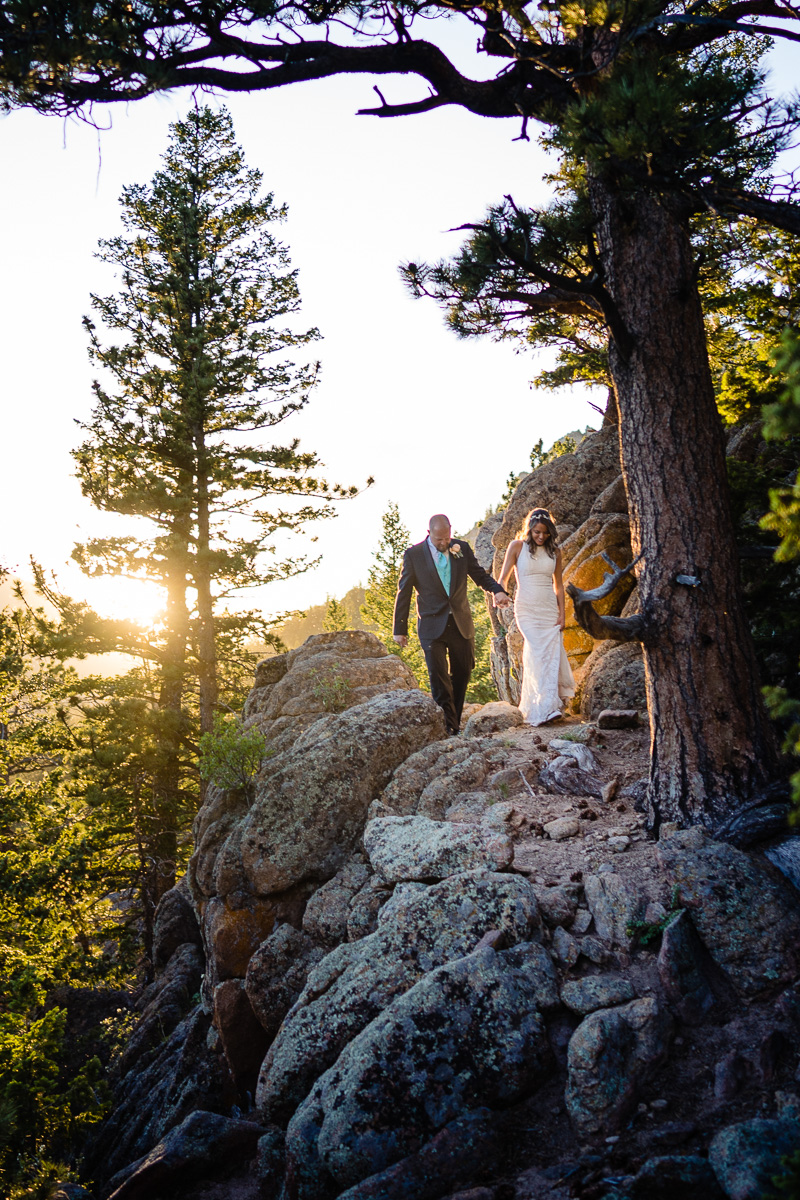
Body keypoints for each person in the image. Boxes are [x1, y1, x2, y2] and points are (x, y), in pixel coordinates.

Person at [393, 513, 511, 735]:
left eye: (446, 538)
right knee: (438, 677)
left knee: (463, 671)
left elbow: (479, 576)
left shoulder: (462, 549)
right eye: (439, 540)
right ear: (429, 534)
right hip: (431, 626)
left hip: (460, 622)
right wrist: (400, 629)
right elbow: (404, 592)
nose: (444, 543)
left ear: (450, 532)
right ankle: (450, 727)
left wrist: (497, 590)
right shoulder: (414, 555)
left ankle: (453, 720)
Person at [497, 507, 575, 725]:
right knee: (538, 651)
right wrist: (499, 592)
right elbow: (503, 578)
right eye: (537, 532)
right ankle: (545, 705)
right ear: (529, 530)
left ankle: (548, 705)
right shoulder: (517, 547)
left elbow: (558, 585)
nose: (541, 536)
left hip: (549, 608)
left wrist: (562, 614)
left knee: (550, 654)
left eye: (545, 533)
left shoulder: (555, 552)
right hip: (527, 609)